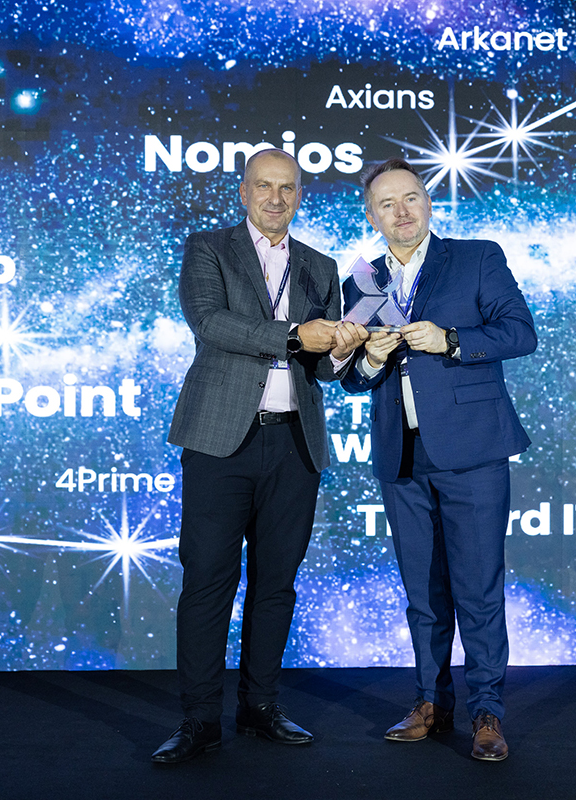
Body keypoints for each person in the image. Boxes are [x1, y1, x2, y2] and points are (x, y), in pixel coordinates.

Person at [152, 148, 367, 765]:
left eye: (288, 188)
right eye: (264, 186)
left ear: (300, 196)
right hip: (221, 439)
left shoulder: (321, 266)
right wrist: (296, 335)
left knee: (276, 583)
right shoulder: (208, 248)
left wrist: (344, 349)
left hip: (296, 442)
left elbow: (322, 368)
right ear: (244, 192)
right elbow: (211, 323)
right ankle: (199, 719)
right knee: (208, 581)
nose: (276, 198)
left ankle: (260, 706)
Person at [336, 157, 537, 761]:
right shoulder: (362, 281)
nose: (402, 211)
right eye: (387, 203)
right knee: (423, 593)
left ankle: (487, 712)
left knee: (478, 589)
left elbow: (519, 333)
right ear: (372, 216)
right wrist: (370, 359)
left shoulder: (476, 257)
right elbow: (351, 378)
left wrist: (451, 340)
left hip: (471, 450)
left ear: (428, 203)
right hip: (403, 456)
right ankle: (430, 701)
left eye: (412, 198)